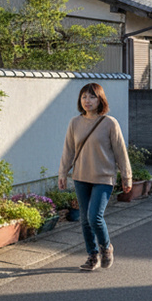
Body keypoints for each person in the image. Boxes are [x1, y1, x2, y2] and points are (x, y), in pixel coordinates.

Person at [58, 83, 132, 271]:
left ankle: (106, 247)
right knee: (84, 219)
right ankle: (92, 255)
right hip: (81, 176)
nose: (87, 101)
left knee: (95, 217)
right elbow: (68, 150)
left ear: (100, 99)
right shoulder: (74, 122)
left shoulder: (110, 123)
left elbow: (121, 152)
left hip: (104, 178)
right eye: (84, 97)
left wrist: (127, 177)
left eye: (92, 97)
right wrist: (63, 173)